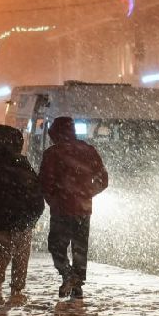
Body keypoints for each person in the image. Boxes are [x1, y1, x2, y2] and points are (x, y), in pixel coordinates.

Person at [38, 116, 108, 300]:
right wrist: (87, 193)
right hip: (83, 210)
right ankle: (77, 284)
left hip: (61, 209)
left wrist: (53, 199)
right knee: (80, 247)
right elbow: (103, 179)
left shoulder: (53, 153)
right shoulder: (88, 150)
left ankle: (67, 274)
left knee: (56, 246)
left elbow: (45, 182)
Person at [0, 125, 44, 302]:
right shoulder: (22, 163)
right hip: (22, 217)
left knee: (2, 252)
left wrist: (1, 198)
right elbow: (35, 190)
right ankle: (16, 289)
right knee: (21, 254)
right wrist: (34, 211)